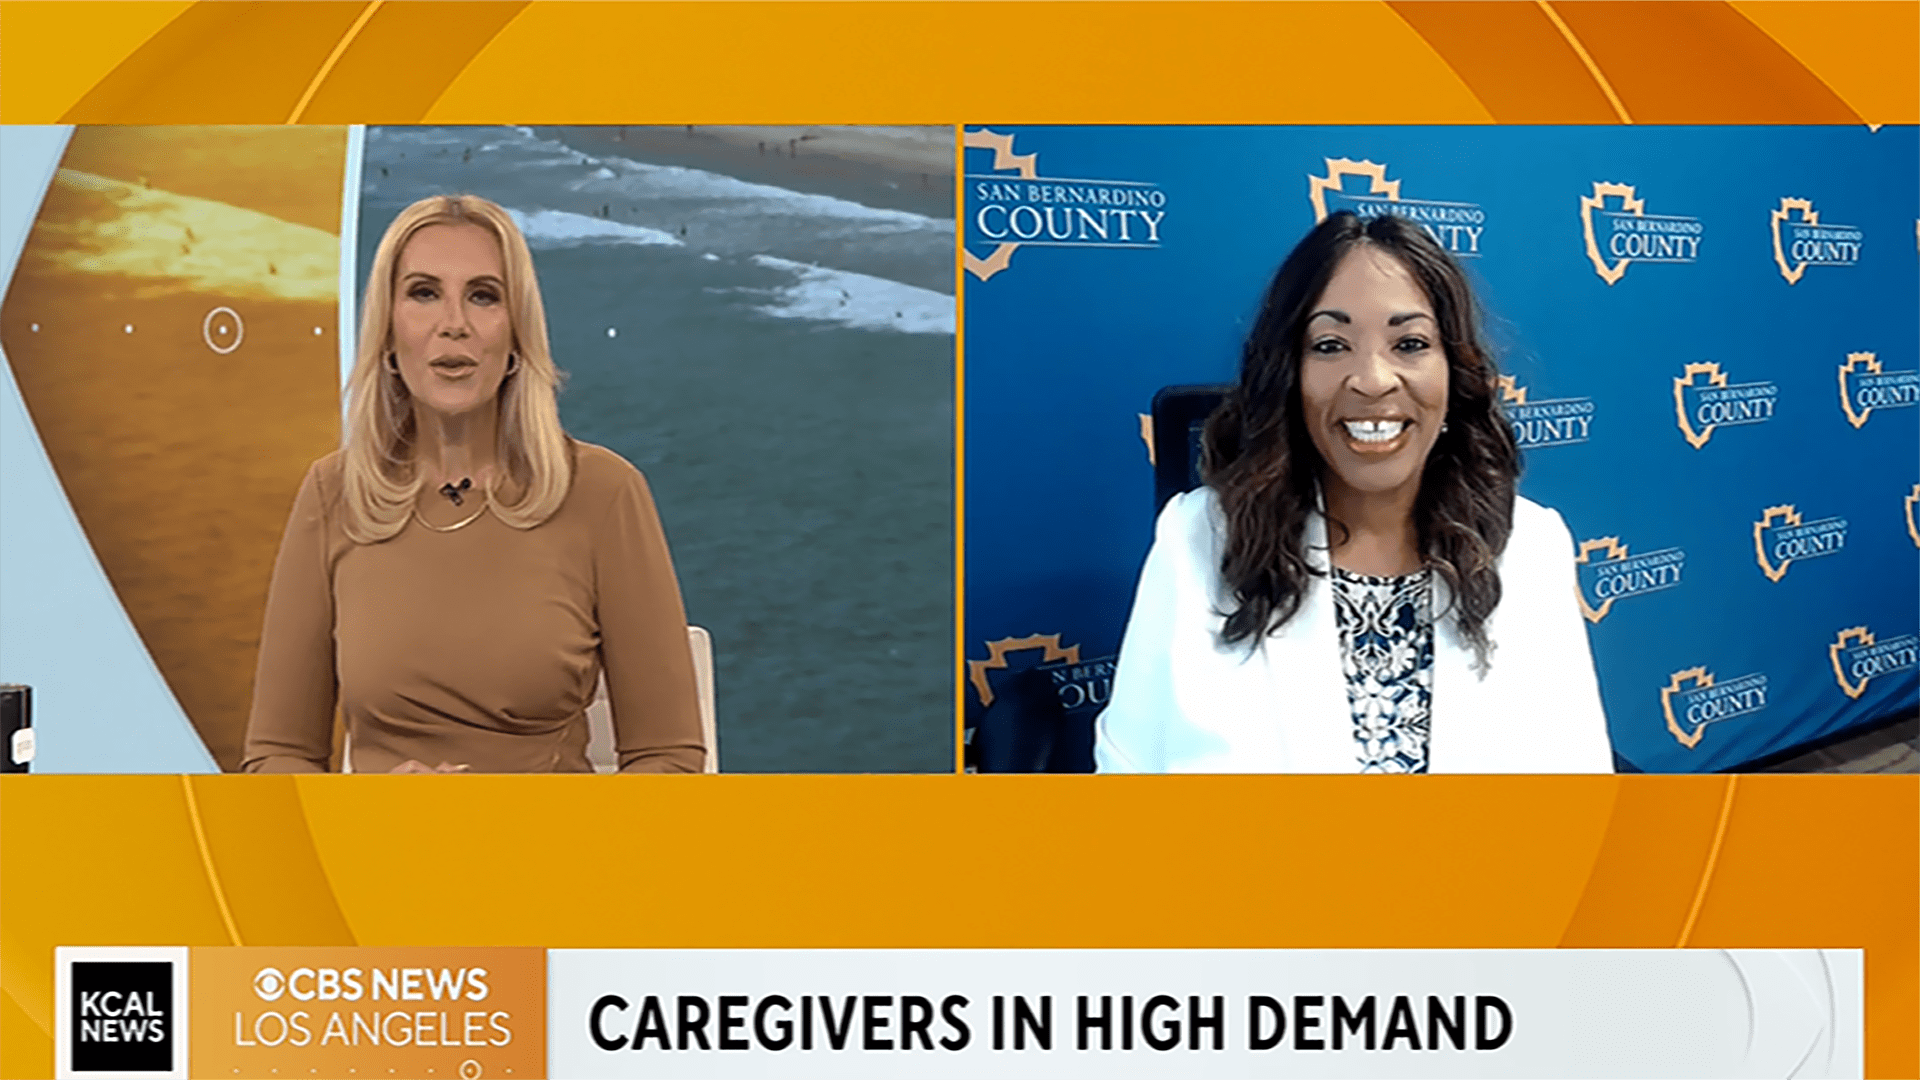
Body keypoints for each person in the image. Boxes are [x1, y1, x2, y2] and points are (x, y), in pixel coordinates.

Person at [1095, 212, 1611, 774]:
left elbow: (1577, 777)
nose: (1372, 379)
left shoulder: (1531, 545)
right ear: (1290, 374)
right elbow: (1130, 772)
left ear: (1453, 373)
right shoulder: (1197, 539)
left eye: (1409, 343)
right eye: (1331, 344)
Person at [242, 194, 705, 774]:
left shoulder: (604, 492)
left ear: (516, 335)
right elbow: (276, 757)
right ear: (387, 331)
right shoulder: (332, 494)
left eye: (483, 296)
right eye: (423, 293)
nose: (453, 324)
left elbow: (670, 758)